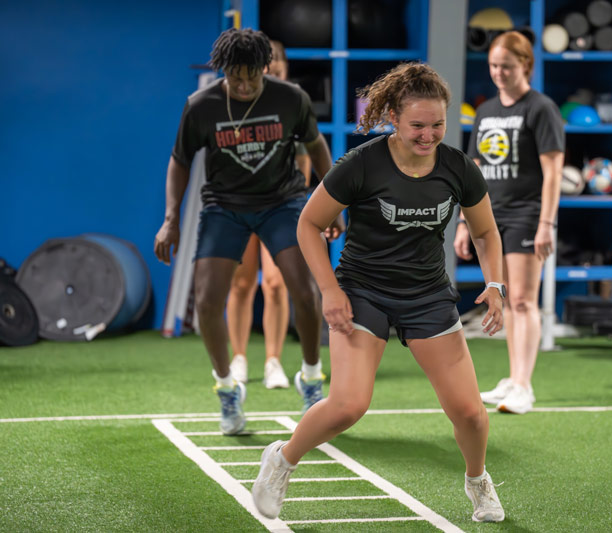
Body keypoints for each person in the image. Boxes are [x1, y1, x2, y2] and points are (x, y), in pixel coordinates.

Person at [250, 62, 507, 523]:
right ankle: (282, 459)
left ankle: (478, 481)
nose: (428, 135)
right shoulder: (362, 164)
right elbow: (308, 223)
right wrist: (329, 290)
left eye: (438, 125)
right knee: (349, 405)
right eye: (417, 126)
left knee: (470, 413)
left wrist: (494, 284)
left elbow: (486, 232)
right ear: (392, 117)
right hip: (363, 290)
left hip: (427, 294)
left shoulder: (458, 168)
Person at [154, 28, 342, 435]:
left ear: (265, 68)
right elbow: (179, 162)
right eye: (233, 77)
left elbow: (316, 147)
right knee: (206, 301)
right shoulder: (200, 106)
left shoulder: (290, 98)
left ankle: (310, 378)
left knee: (304, 291)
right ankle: (227, 389)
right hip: (225, 206)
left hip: (283, 202)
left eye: (251, 77)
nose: (242, 85)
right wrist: (171, 219)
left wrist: (331, 204)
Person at [455, 31, 565, 414]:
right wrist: (465, 223)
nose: (499, 73)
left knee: (521, 299)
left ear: (526, 66)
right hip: (491, 216)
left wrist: (546, 224)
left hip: (527, 214)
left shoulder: (541, 108)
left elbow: (553, 172)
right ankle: (512, 379)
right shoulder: (485, 112)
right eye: (493, 66)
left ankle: (523, 384)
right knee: (502, 298)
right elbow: (476, 171)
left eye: (507, 66)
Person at [226, 40, 312, 391]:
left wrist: (299, 201)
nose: (273, 72)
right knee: (241, 282)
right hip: (240, 204)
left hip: (281, 206)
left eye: (278, 67)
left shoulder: (295, 103)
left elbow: (305, 157)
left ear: (285, 69)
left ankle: (274, 360)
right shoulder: (236, 105)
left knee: (275, 283)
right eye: (267, 68)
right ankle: (240, 358)